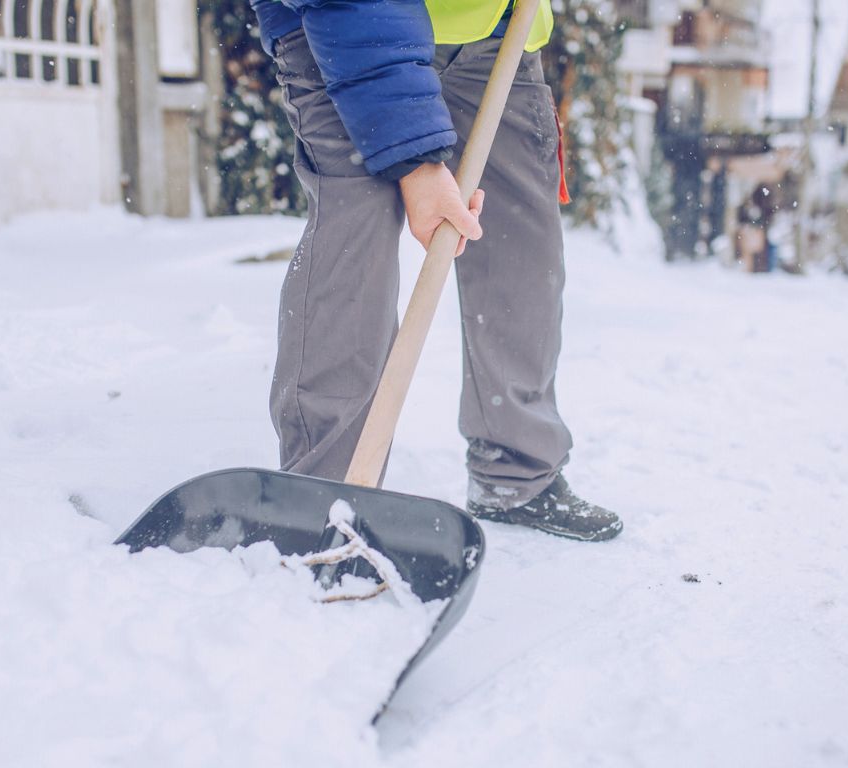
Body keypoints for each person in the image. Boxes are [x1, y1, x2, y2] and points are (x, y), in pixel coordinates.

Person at [251, 0, 622, 541]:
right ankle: (325, 489)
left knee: (521, 245)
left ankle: (515, 469)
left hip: (500, 34)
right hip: (342, 29)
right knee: (356, 236)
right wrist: (418, 163)